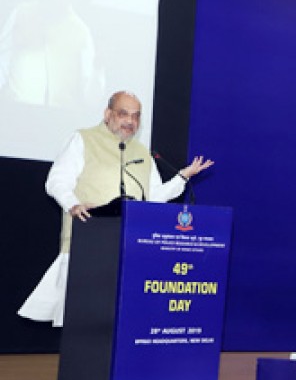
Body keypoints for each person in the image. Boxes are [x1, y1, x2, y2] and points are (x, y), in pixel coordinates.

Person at [17, 91, 214, 326]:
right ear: (108, 114)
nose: (130, 121)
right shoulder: (83, 139)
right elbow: (56, 181)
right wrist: (73, 204)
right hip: (89, 241)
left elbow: (153, 198)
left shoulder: (143, 153)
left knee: (120, 321)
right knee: (83, 322)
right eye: (123, 114)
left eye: (136, 116)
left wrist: (182, 177)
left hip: (130, 248)